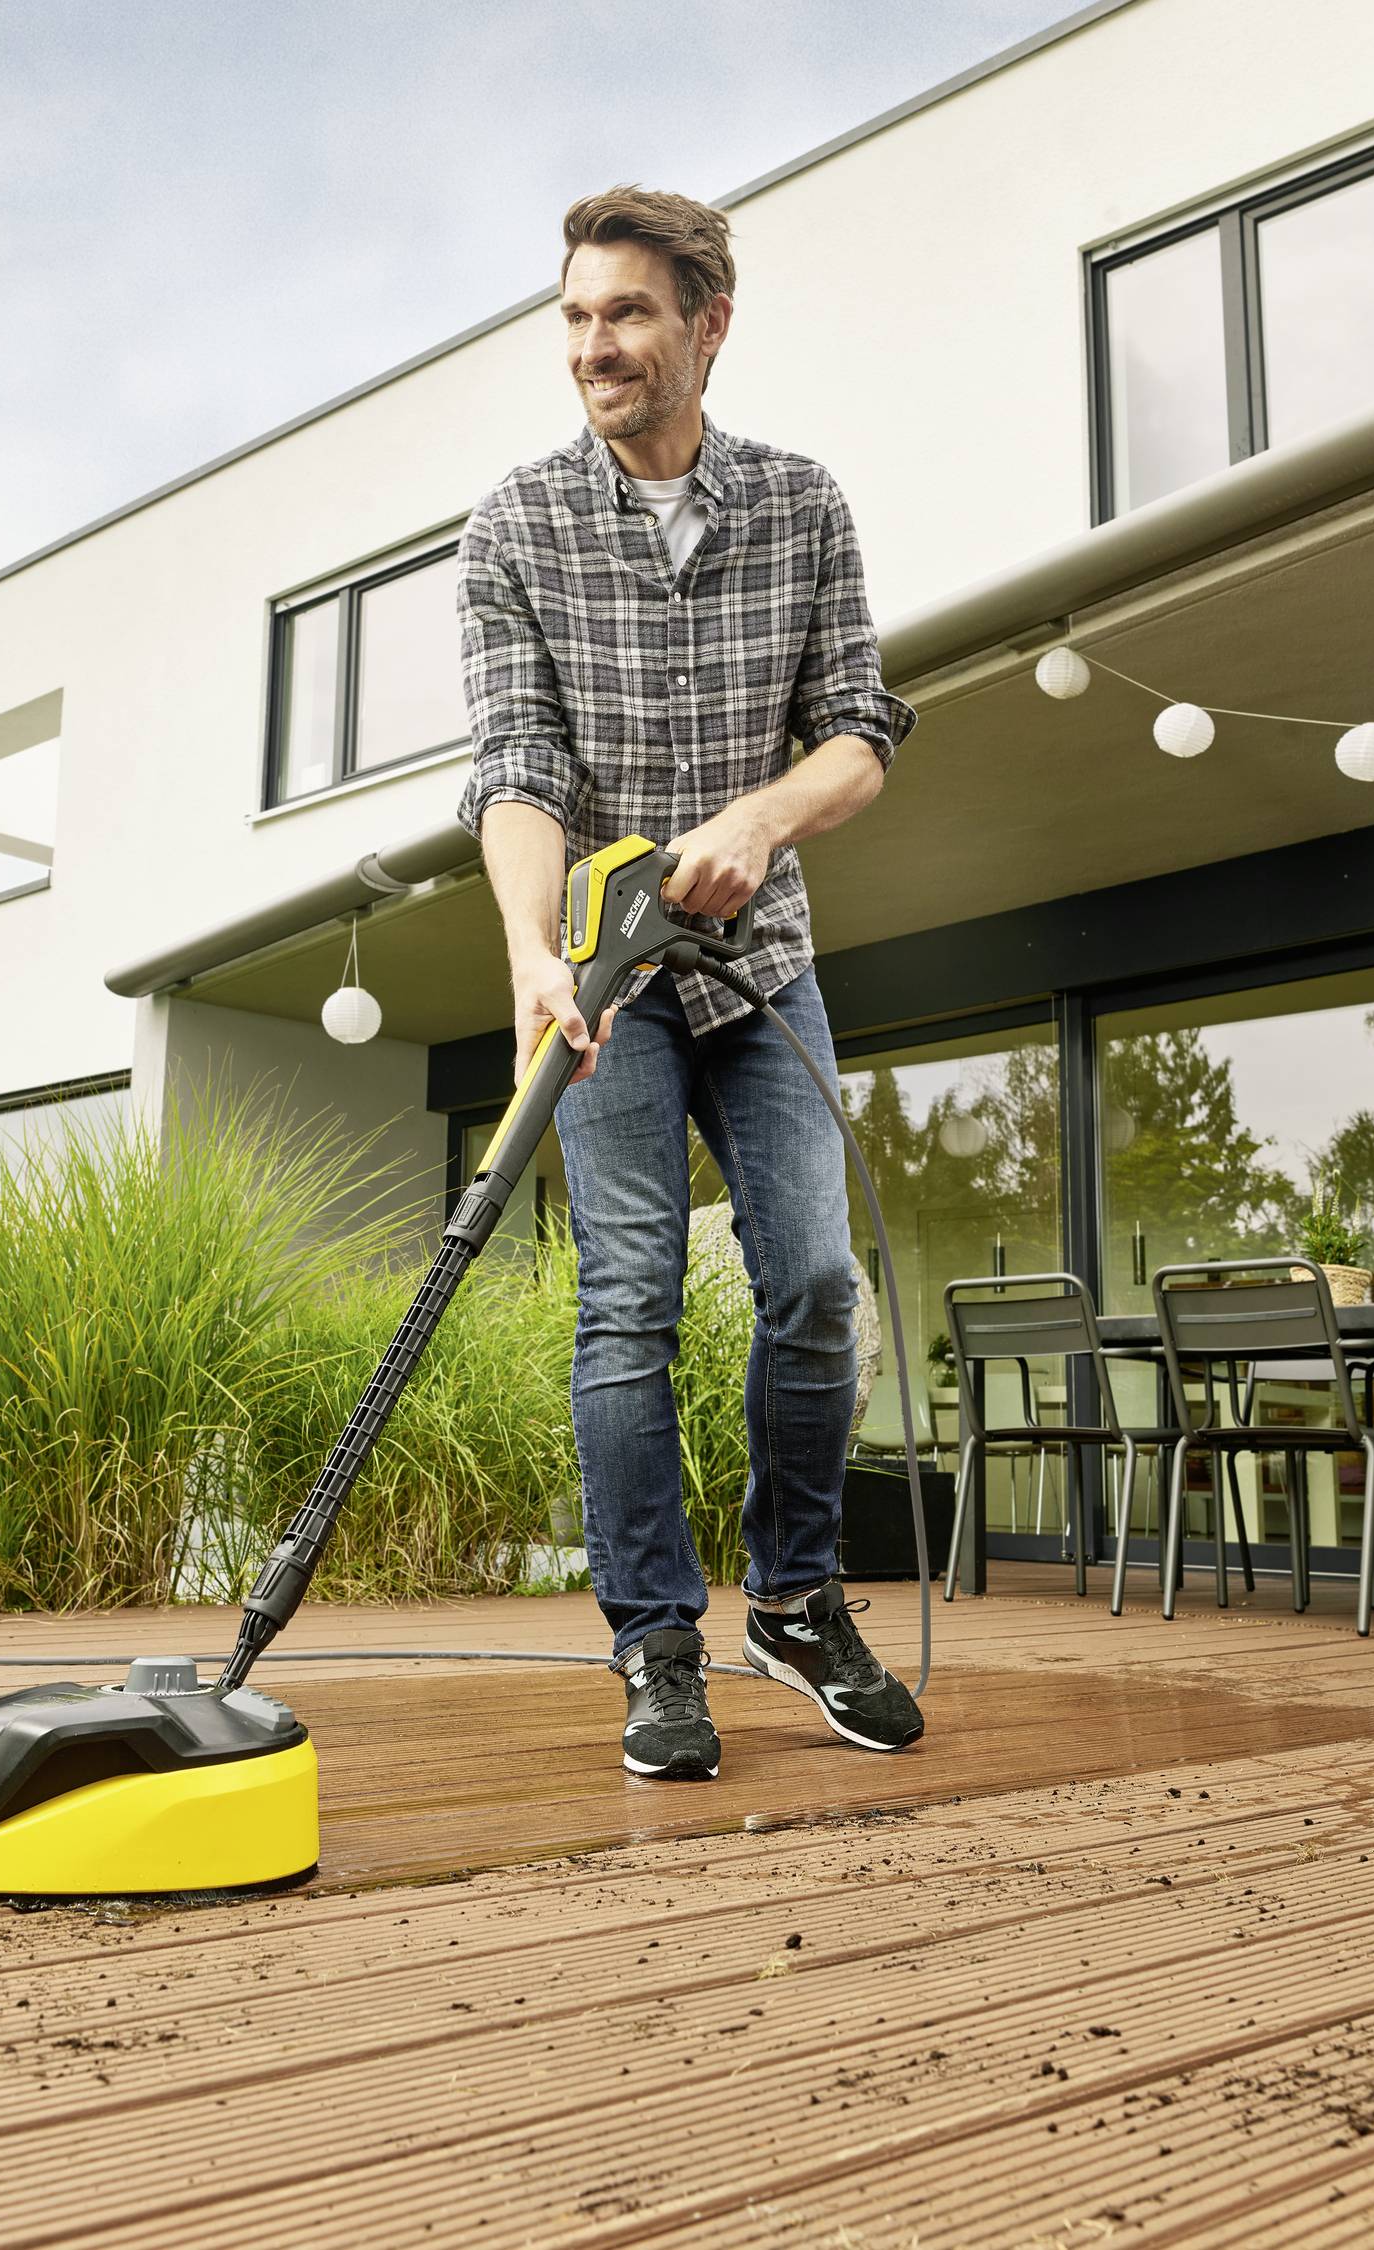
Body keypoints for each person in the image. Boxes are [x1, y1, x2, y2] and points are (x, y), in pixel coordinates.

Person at [455, 184, 922, 1780]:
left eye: (629, 314)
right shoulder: (514, 526)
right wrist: (532, 947)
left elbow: (859, 729)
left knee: (811, 1282)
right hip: (608, 978)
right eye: (578, 316)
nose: (595, 345)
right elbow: (516, 767)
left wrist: (763, 818)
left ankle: (793, 1598)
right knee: (628, 1304)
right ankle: (658, 1642)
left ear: (707, 323)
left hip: (765, 964)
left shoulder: (801, 506)